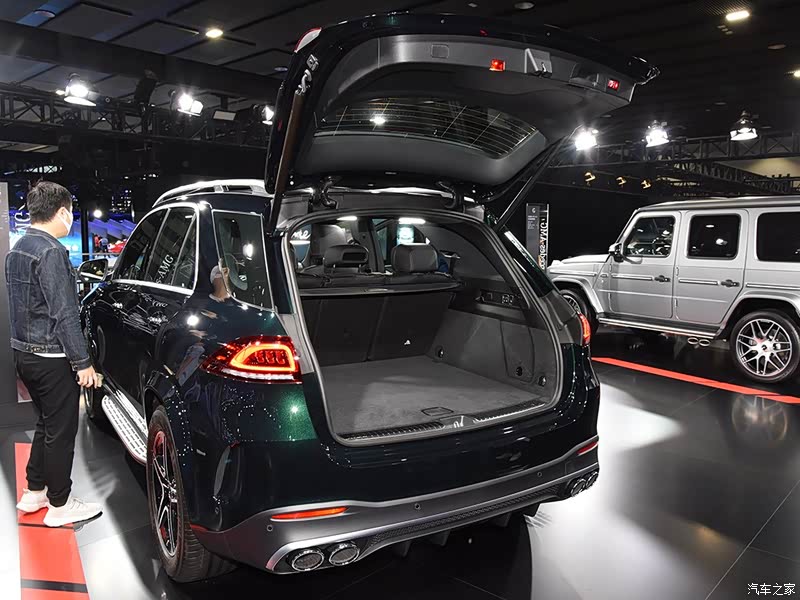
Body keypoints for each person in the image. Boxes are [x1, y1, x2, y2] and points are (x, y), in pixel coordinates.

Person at [6, 182, 103, 527]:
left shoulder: (18, 249)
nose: (71, 220)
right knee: (61, 431)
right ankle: (60, 504)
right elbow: (64, 314)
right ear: (62, 212)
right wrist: (83, 363)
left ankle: (35, 491)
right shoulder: (51, 252)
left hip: (23, 355)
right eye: (71, 213)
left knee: (46, 424)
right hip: (50, 358)